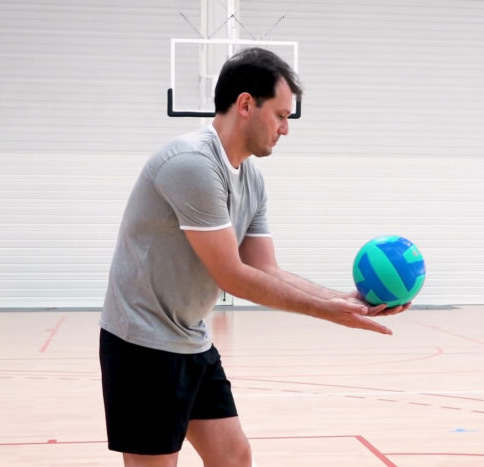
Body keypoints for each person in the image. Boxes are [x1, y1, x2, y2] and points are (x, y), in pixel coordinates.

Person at [99, 47, 410, 467]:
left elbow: (265, 269)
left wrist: (345, 300)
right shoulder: (192, 165)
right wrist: (327, 311)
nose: (286, 129)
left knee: (233, 456)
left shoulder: (252, 179)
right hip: (141, 344)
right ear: (246, 104)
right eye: (281, 115)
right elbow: (232, 276)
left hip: (189, 337)